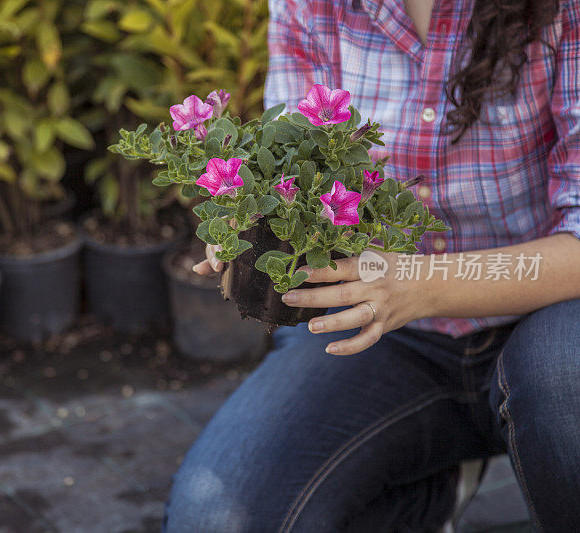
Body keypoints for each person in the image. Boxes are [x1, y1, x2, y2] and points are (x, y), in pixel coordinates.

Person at [162, 0, 580, 531]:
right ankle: (432, 491)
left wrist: (421, 283)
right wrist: (249, 223)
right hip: (380, 331)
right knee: (214, 518)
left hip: (547, 316)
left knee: (568, 391)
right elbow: (289, 159)